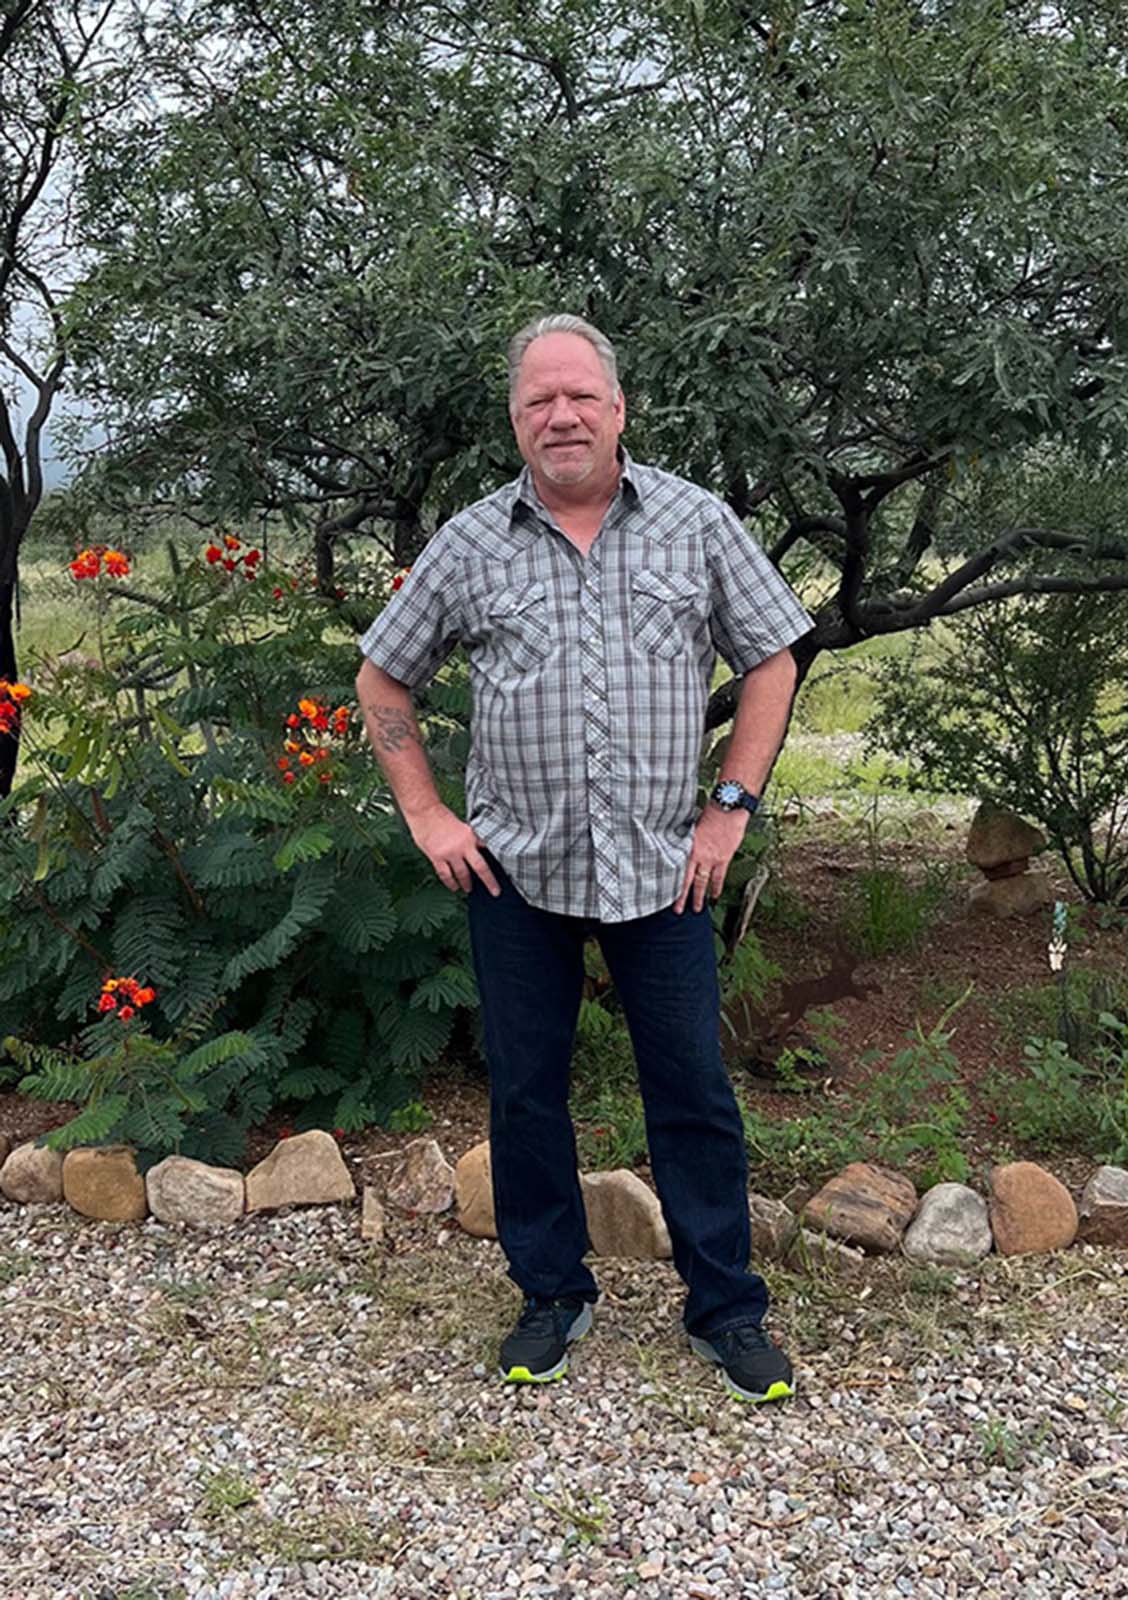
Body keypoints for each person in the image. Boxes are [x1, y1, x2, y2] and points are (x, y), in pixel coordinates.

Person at [356, 313, 814, 1404]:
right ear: (516, 422)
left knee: (693, 1090)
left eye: (580, 397)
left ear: (618, 410)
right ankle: (551, 1293)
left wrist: (730, 809)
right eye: (537, 402)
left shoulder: (696, 525)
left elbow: (774, 660)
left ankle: (725, 1309)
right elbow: (384, 682)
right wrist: (429, 817)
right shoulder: (471, 544)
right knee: (524, 1093)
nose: (559, 416)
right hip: (514, 871)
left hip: (667, 870)